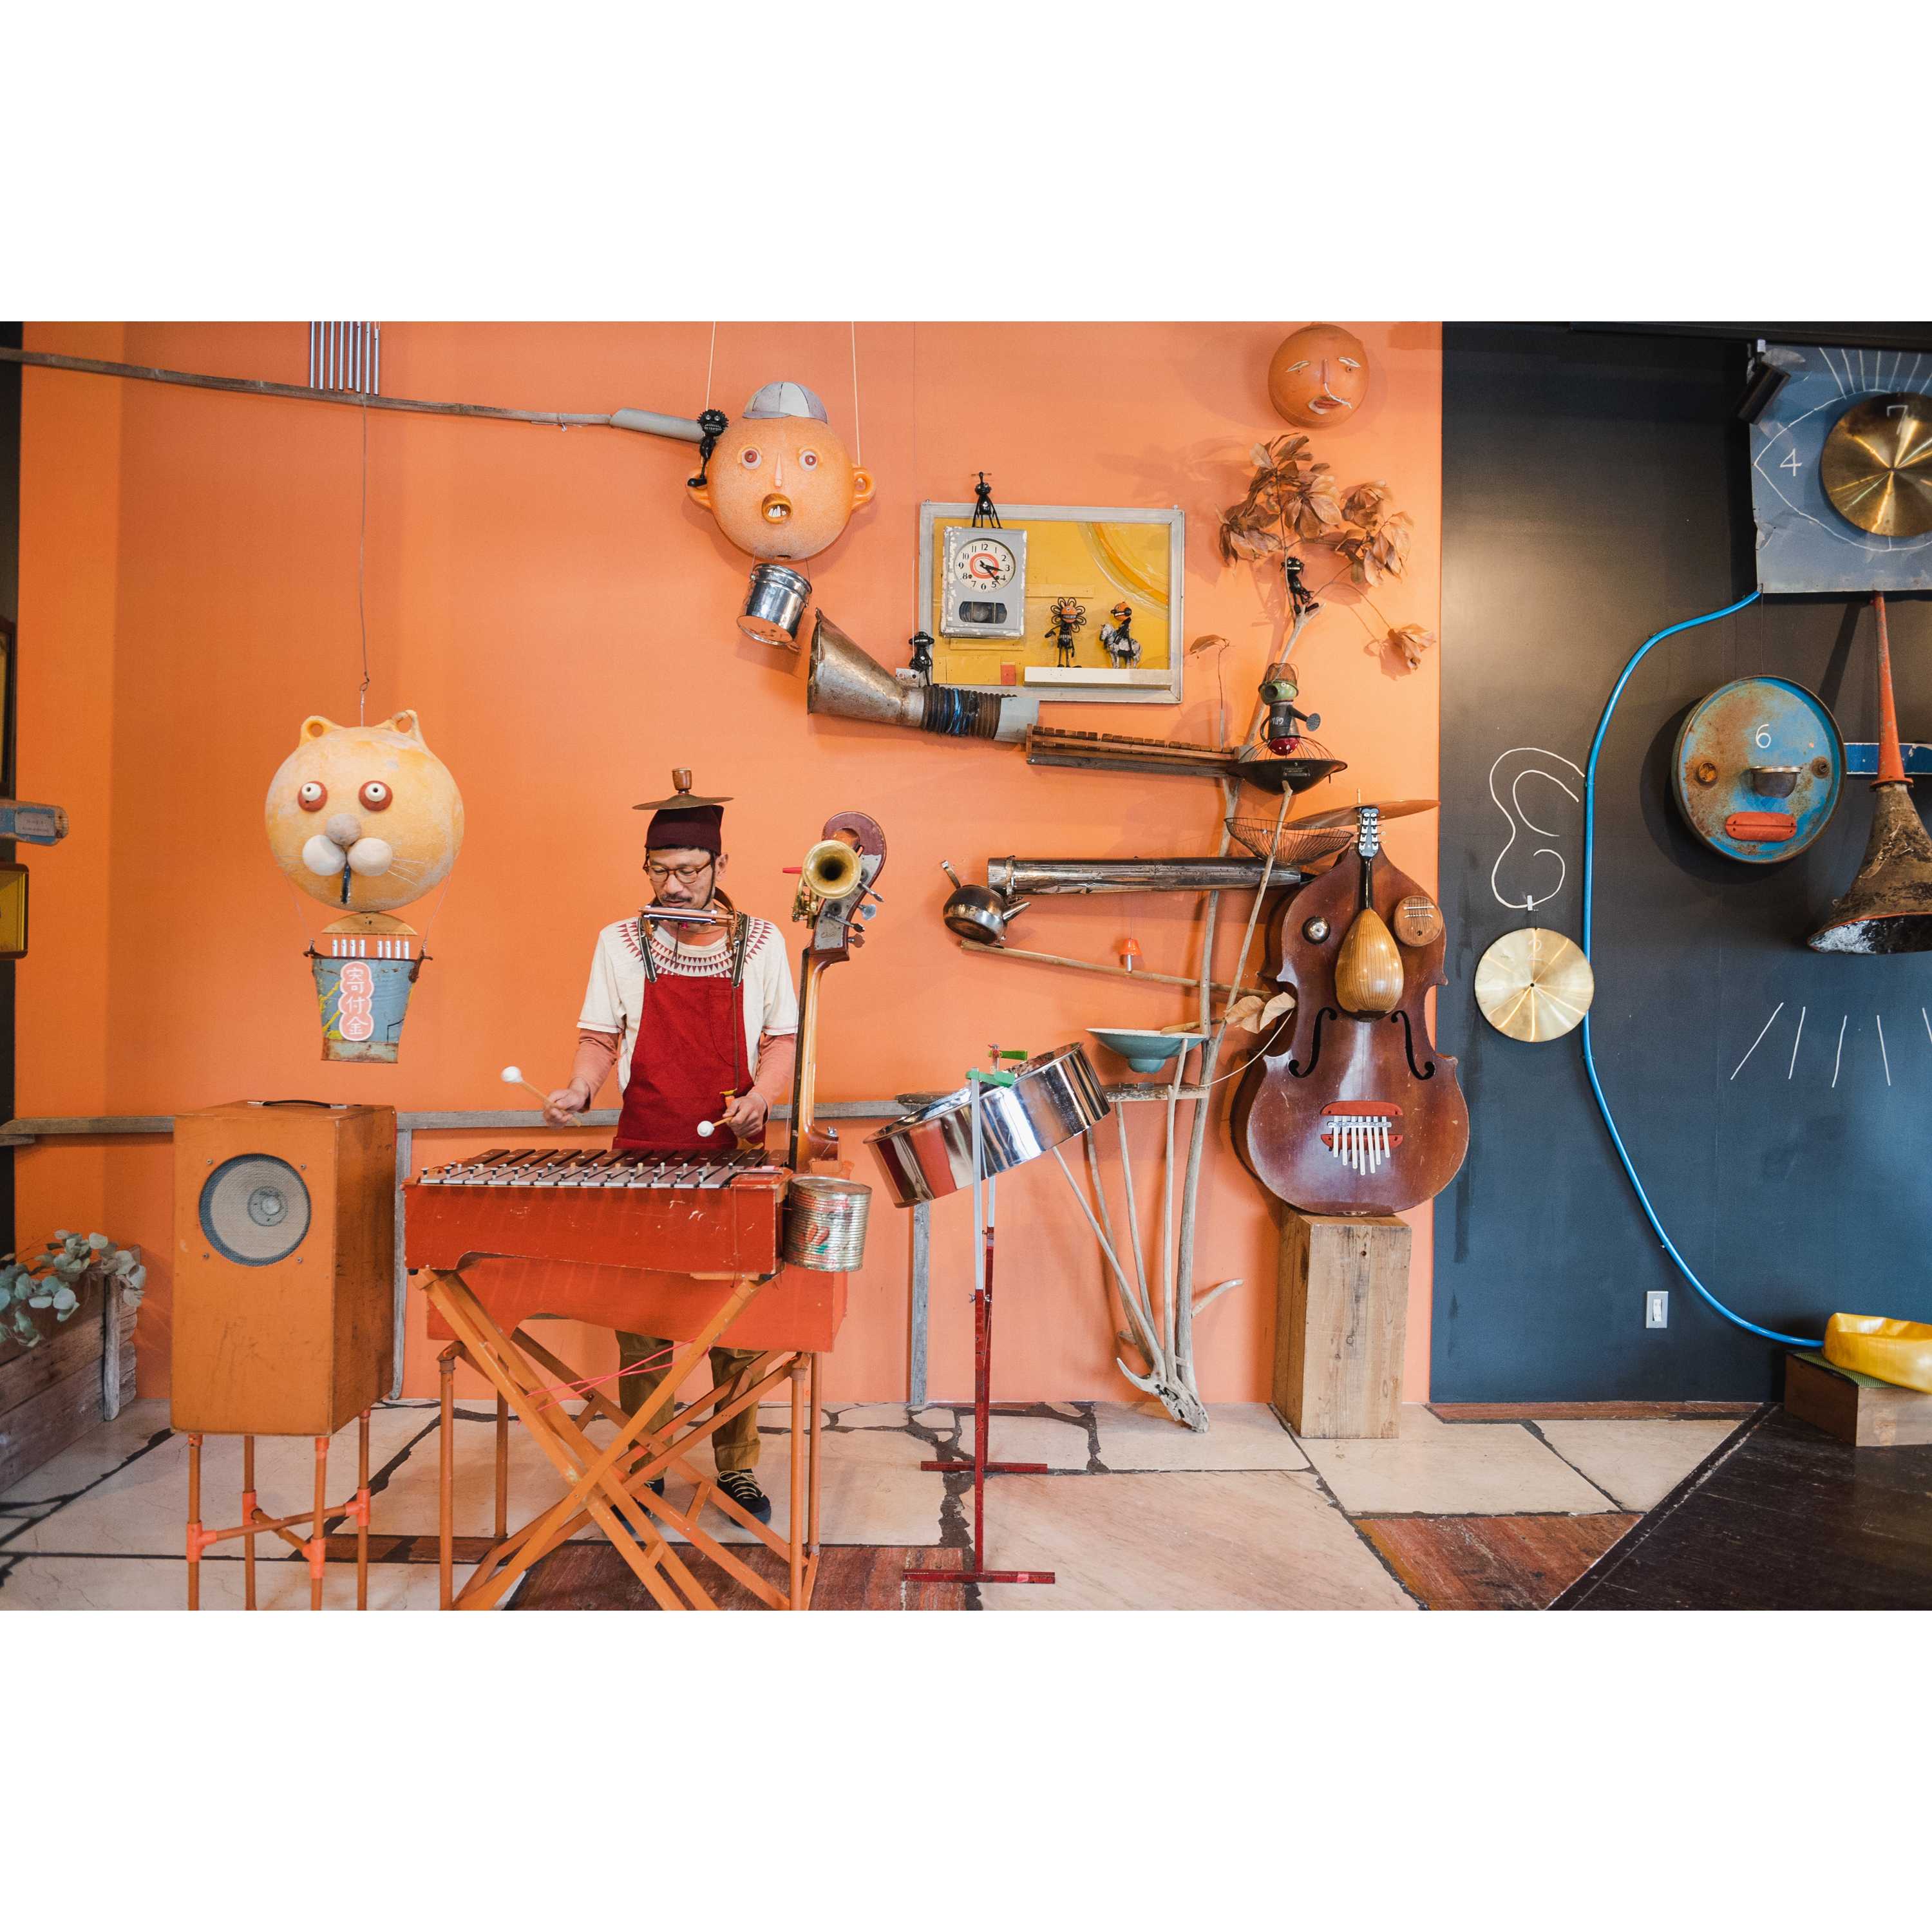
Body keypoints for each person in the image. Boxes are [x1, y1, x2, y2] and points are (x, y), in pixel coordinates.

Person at [543, 782, 797, 1524]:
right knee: (643, 1320)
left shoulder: (762, 942)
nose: (674, 886)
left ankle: (737, 1465)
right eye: (659, 870)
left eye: (688, 870)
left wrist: (762, 1099)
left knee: (737, 1323)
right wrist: (580, 1088)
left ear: (720, 865)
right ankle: (645, 1460)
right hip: (646, 1152)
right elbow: (600, 1037)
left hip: (735, 1154)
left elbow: (782, 1040)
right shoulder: (620, 942)